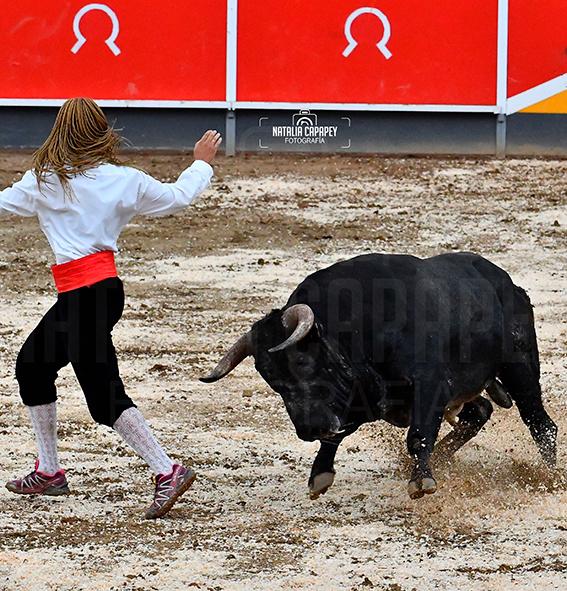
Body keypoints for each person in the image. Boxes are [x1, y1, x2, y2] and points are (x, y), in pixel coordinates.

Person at [0, 97, 222, 519]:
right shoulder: (123, 179)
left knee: (102, 397)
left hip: (83, 297)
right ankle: (49, 472)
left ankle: (167, 469)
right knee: (33, 365)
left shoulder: (44, 181)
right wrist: (201, 163)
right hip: (100, 291)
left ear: (59, 132)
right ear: (103, 132)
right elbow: (177, 198)